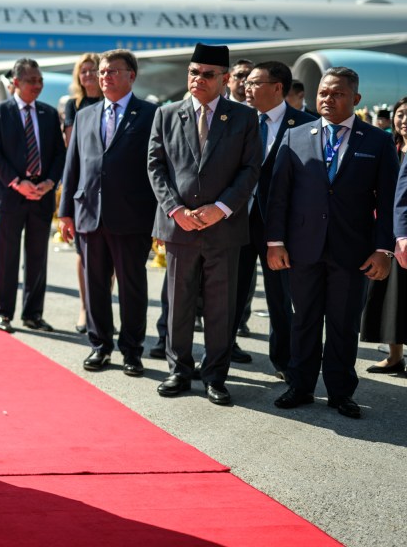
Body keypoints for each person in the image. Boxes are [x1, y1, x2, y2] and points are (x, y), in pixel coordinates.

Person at [268, 68, 397, 418]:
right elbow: (278, 196)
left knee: (343, 324)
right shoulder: (296, 136)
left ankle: (341, 392)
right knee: (304, 320)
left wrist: (383, 250)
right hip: (302, 248)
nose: (328, 99)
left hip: (353, 251)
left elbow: (388, 202)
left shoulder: (377, 141)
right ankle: (300, 386)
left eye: (337, 94)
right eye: (323, 93)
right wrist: (275, 243)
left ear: (355, 99)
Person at [147, 43, 260, 406]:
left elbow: (250, 169)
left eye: (207, 74)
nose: (198, 79)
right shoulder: (167, 114)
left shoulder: (242, 117)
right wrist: (174, 210)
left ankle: (215, 376)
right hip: (180, 227)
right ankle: (179, 370)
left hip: (223, 229)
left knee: (220, 307)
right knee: (178, 303)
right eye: (193, 72)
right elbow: (156, 166)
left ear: (225, 79)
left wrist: (222, 207)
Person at [59, 50, 157, 377]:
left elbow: (158, 169)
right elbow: (72, 165)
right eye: (102, 72)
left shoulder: (150, 115)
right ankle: (100, 346)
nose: (105, 77)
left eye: (113, 71)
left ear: (132, 75)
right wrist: (65, 213)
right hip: (89, 214)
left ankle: (132, 350)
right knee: (96, 284)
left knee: (132, 287)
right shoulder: (85, 115)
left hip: (132, 217)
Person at [238, 61, 317, 376]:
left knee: (280, 300)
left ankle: (283, 360)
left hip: (280, 230)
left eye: (255, 82)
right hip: (238, 223)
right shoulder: (240, 120)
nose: (247, 87)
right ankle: (222, 352)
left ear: (277, 88)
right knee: (231, 293)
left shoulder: (306, 125)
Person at [0, 59, 66, 334]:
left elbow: (58, 154)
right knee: (5, 257)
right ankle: (2, 312)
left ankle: (33, 314)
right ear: (16, 82)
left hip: (41, 194)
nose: (38, 86)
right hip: (11, 194)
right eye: (32, 81)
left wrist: (50, 182)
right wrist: (18, 183)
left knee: (37, 257)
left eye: (40, 80)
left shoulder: (48, 113)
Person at [360, 96, 407, 372]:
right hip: (389, 234)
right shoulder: (389, 148)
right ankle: (394, 356)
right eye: (400, 114)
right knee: (391, 298)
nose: (403, 119)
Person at [63, 52, 103, 333]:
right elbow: (71, 149)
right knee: (84, 249)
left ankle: (101, 306)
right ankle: (85, 306)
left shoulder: (110, 100)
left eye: (93, 70)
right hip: (83, 184)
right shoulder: (74, 105)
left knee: (108, 253)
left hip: (110, 186)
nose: (88, 75)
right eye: (83, 71)